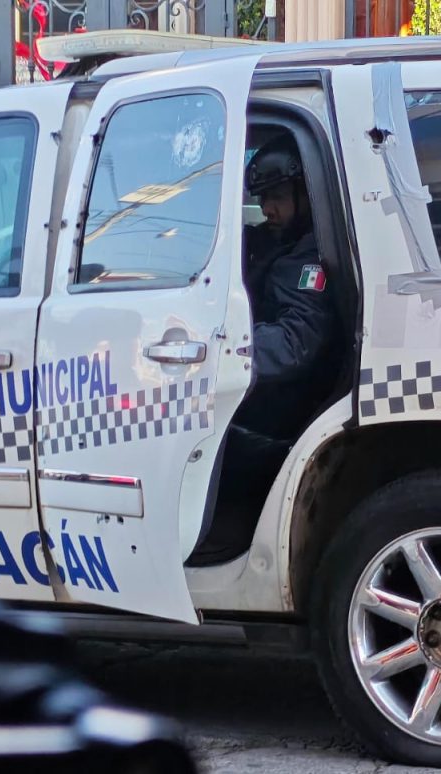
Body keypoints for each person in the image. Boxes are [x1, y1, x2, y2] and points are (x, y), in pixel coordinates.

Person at [190, 133, 342, 564]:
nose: (267, 209)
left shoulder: (310, 256)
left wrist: (218, 354)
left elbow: (295, 341)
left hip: (279, 415)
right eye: (261, 199)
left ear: (305, 194)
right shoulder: (280, 243)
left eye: (276, 197)